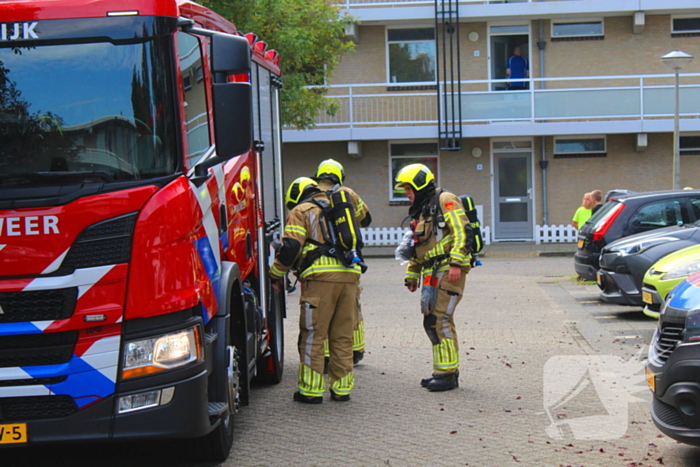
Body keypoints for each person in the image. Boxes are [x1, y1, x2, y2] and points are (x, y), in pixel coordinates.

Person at [270, 177, 361, 403]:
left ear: (297, 195)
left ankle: (310, 391)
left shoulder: (302, 210)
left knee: (313, 335)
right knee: (342, 336)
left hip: (319, 280)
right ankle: (342, 390)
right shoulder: (338, 207)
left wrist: (276, 273)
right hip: (350, 277)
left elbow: (291, 246)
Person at [395, 164, 471, 392]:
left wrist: (456, 262)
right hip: (431, 272)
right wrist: (411, 275)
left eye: (408, 189)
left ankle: (447, 375)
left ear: (419, 184)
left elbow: (462, 231)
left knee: (440, 319)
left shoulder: (445, 199)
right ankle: (444, 371)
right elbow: (418, 246)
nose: (406, 194)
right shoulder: (423, 210)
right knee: (433, 321)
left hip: (448, 268)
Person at [314, 159, 371, 366]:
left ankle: (327, 356)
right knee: (352, 308)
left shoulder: (311, 193)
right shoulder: (348, 193)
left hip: (320, 263)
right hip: (349, 260)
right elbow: (366, 219)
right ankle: (356, 350)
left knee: (325, 311)